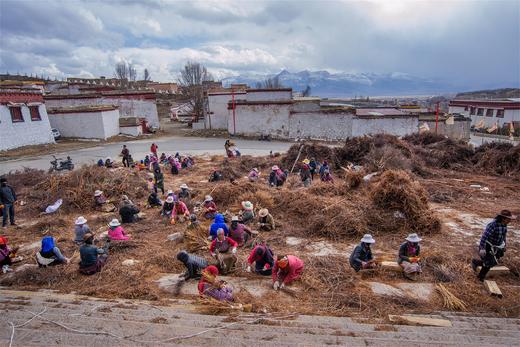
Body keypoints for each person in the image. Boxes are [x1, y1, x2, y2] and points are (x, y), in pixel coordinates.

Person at [472, 210, 516, 281]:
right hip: (489, 245)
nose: (510, 220)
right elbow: (484, 237)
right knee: (488, 263)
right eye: (509, 219)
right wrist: (482, 248)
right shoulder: (493, 225)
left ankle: (476, 262)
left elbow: (503, 236)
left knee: (493, 262)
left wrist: (504, 245)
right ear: (503, 218)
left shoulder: (504, 225)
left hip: (497, 246)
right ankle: (480, 277)